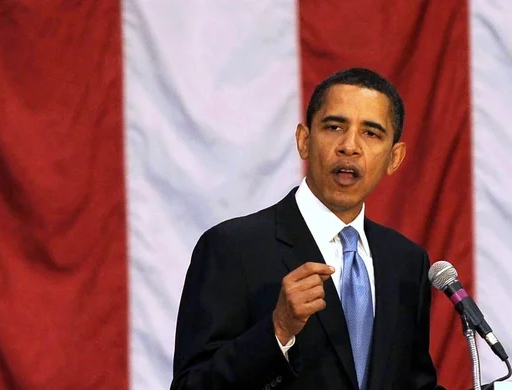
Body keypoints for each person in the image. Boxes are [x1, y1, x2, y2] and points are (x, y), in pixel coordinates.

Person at [171, 68, 445, 390]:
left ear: (394, 158)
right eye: (334, 127)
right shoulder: (232, 248)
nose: (349, 146)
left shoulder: (406, 263)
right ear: (304, 140)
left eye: (371, 133)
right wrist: (278, 331)